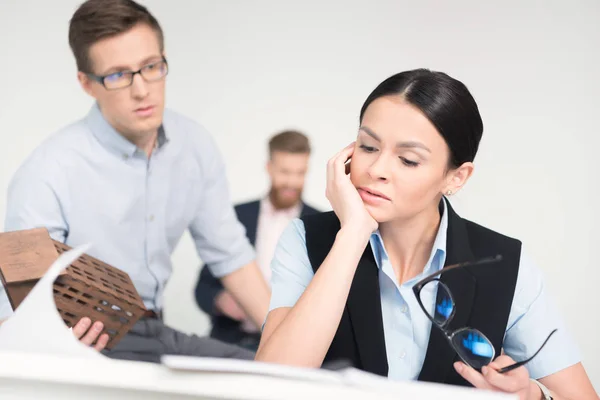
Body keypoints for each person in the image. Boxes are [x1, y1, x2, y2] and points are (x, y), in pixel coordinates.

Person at [255, 69, 599, 399]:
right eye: (368, 147)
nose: (376, 170)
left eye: (408, 159)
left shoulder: (505, 263)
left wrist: (532, 396)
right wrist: (352, 234)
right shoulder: (306, 239)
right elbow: (268, 390)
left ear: (457, 177)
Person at [1, 0, 269, 362]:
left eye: (151, 67)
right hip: (84, 345)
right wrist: (56, 341)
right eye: (117, 75)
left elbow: (231, 257)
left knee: (274, 374)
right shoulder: (47, 172)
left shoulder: (195, 146)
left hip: (157, 331)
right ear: (87, 84)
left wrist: (290, 350)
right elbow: (16, 313)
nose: (142, 90)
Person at [195, 130, 319, 350]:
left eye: (300, 173)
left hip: (292, 349)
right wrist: (219, 300)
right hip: (230, 341)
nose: (292, 181)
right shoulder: (236, 216)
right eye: (284, 172)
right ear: (269, 168)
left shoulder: (321, 224)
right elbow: (203, 285)